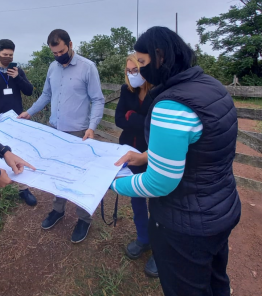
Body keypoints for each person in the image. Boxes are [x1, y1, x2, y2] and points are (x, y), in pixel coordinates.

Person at [112, 27, 241, 296]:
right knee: (217, 282)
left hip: (186, 224)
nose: (140, 70)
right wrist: (147, 155)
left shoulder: (171, 105)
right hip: (221, 207)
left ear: (160, 57)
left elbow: (159, 183)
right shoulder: (210, 86)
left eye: (143, 63)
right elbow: (200, 148)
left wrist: (112, 183)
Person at [18, 29, 105, 243]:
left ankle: (84, 218)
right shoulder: (52, 67)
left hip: (78, 132)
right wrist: (29, 112)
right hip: (55, 130)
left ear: (70, 44)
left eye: (61, 51)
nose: (58, 56)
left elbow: (98, 99)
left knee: (77, 175)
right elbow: (47, 94)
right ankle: (58, 210)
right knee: (57, 172)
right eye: (54, 53)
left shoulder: (88, 67)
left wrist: (92, 127)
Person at [115, 53, 158, 278]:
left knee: (160, 203)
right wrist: (139, 119)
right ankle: (143, 238)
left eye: (136, 71)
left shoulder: (159, 92)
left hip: (153, 153)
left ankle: (160, 250)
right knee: (137, 197)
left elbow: (155, 125)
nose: (132, 75)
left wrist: (132, 116)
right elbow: (118, 119)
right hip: (129, 152)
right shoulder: (126, 90)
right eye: (129, 71)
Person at [0, 39, 37, 205]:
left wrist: (17, 77)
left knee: (20, 152)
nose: (8, 57)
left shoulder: (17, 71)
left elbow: (29, 91)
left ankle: (23, 189)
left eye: (10, 55)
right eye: (4, 54)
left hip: (16, 120)